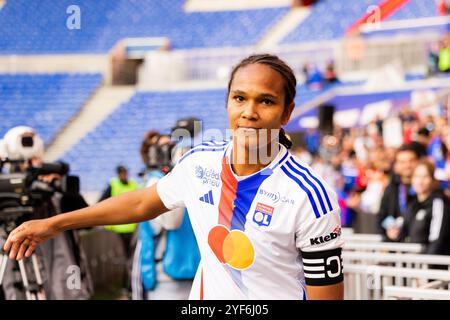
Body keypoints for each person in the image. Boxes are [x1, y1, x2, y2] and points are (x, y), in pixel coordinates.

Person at [3, 54, 344, 300]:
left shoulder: (309, 196)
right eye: (239, 98)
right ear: (227, 102)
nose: (249, 112)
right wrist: (55, 223)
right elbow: (141, 203)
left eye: (266, 101)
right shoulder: (200, 163)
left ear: (287, 112)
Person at [131, 131, 200, 300]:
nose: (170, 150)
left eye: (171, 145)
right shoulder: (154, 182)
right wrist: (176, 172)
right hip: (166, 278)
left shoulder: (183, 180)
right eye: (163, 147)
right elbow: (171, 221)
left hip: (194, 273)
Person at [99, 165, 138, 297]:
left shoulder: (133, 184)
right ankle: (126, 287)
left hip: (132, 229)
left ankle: (130, 286)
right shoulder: (113, 185)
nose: (124, 175)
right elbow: (102, 202)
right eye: (122, 173)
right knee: (125, 260)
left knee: (131, 259)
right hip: (118, 230)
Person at [403, 160, 450, 255]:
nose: (420, 181)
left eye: (425, 177)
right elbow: (404, 233)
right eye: (417, 176)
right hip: (412, 263)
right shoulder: (412, 204)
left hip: (429, 265)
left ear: (433, 180)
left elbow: (437, 240)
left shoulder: (439, 203)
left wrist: (428, 264)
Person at [378, 144, 419, 242]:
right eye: (402, 162)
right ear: (396, 165)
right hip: (397, 245)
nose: (407, 165)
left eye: (411, 161)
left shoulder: (427, 188)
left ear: (418, 162)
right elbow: (381, 217)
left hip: (420, 246)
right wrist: (389, 230)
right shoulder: (391, 188)